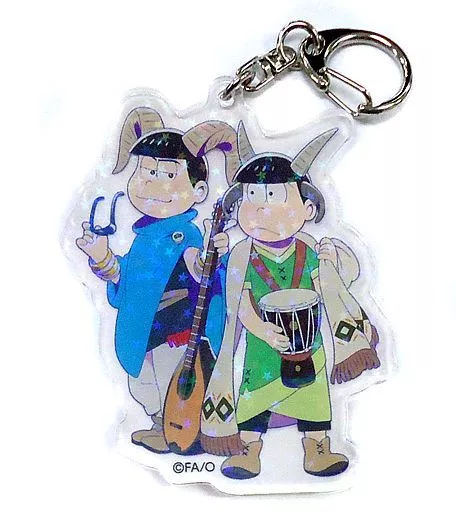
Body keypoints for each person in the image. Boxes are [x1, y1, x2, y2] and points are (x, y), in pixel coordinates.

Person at [200, 122, 380, 479]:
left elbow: (340, 282)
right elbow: (240, 302)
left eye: (275, 198)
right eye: (251, 199)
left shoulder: (310, 249)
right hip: (261, 349)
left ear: (308, 209)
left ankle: (317, 449)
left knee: (313, 397)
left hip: (309, 347)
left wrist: (333, 260)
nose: (260, 211)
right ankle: (248, 450)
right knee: (253, 398)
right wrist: (263, 331)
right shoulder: (241, 255)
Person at [76, 108, 239, 453]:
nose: (151, 182)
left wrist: (214, 251)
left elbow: (200, 269)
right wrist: (103, 257)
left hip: (177, 332)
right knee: (142, 384)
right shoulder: (143, 237)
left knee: (172, 383)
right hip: (144, 329)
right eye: (146, 171)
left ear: (199, 190)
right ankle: (159, 426)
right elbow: (126, 282)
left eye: (167, 174)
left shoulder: (185, 234)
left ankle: (184, 432)